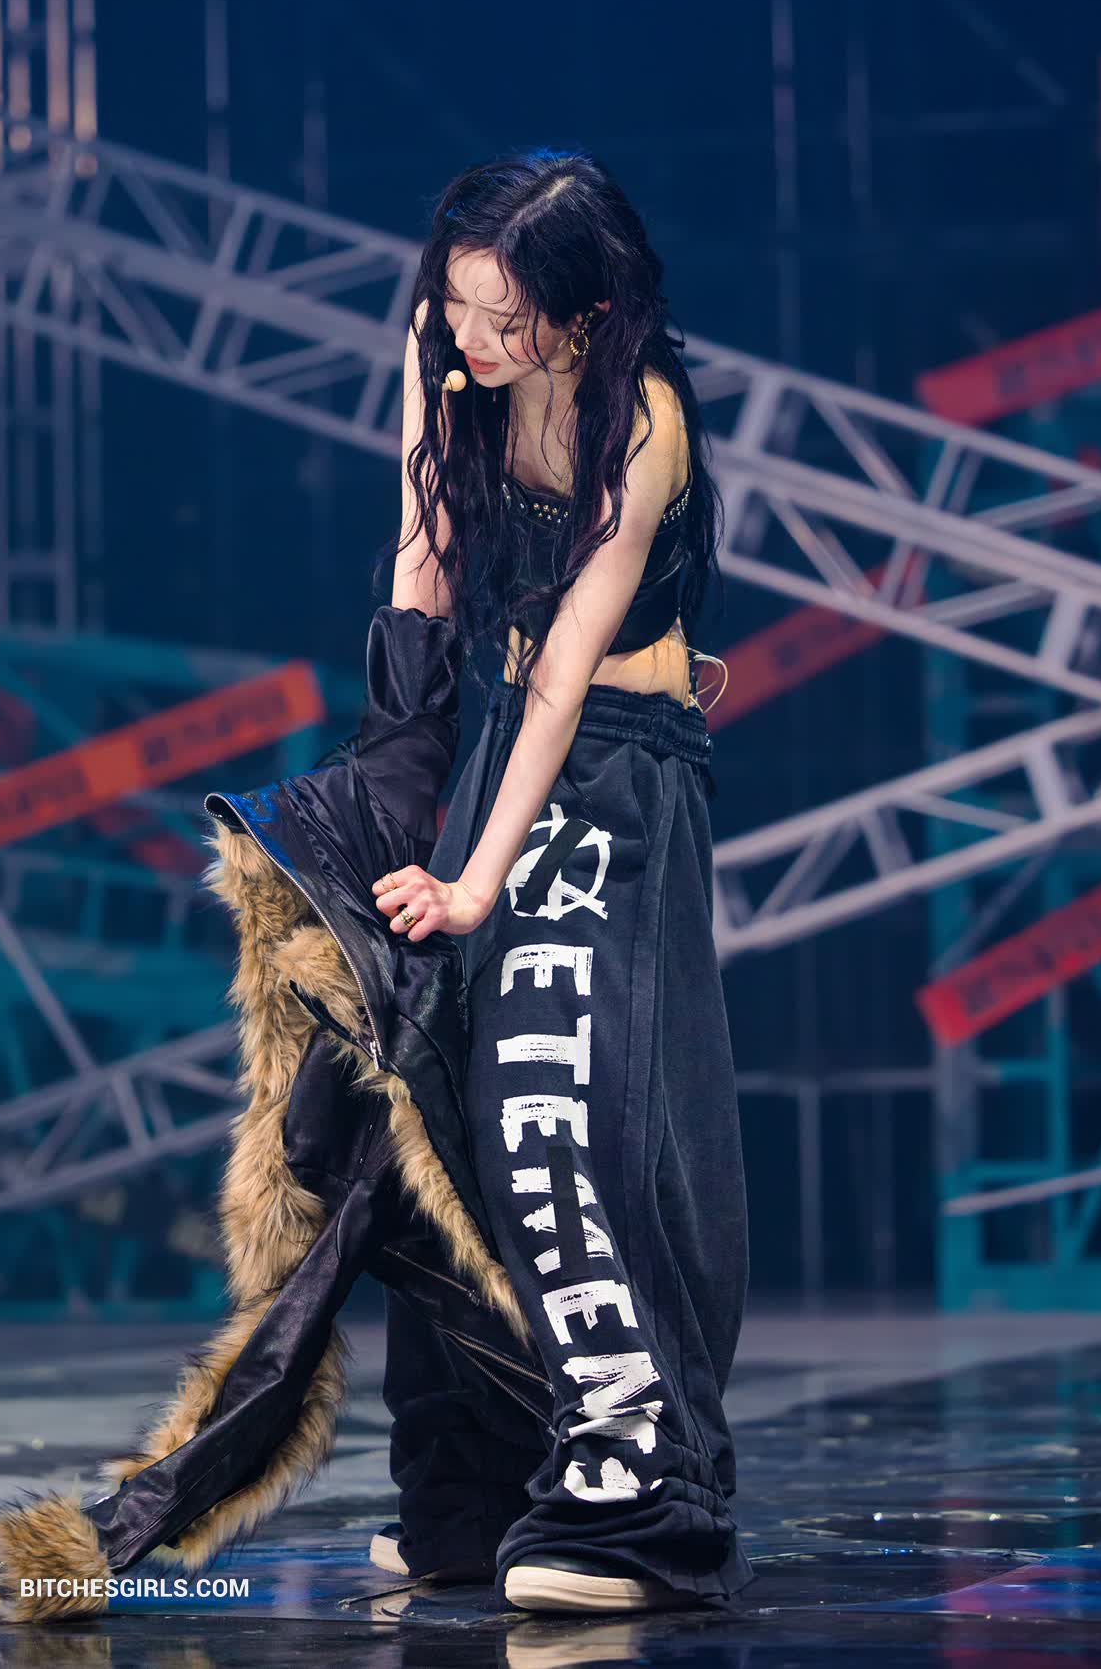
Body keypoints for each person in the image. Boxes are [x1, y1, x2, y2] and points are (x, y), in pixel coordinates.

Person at [366, 147, 752, 1615]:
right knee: (441, 1107)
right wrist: (393, 789)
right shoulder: (445, 347)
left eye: (506, 317)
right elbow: (424, 555)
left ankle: (646, 1495)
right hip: (500, 757)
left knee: (562, 1100)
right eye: (458, 302)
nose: (472, 336)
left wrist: (476, 886)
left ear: (584, 316)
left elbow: (567, 675)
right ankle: (470, 1492)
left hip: (618, 770)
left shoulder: (639, 419)